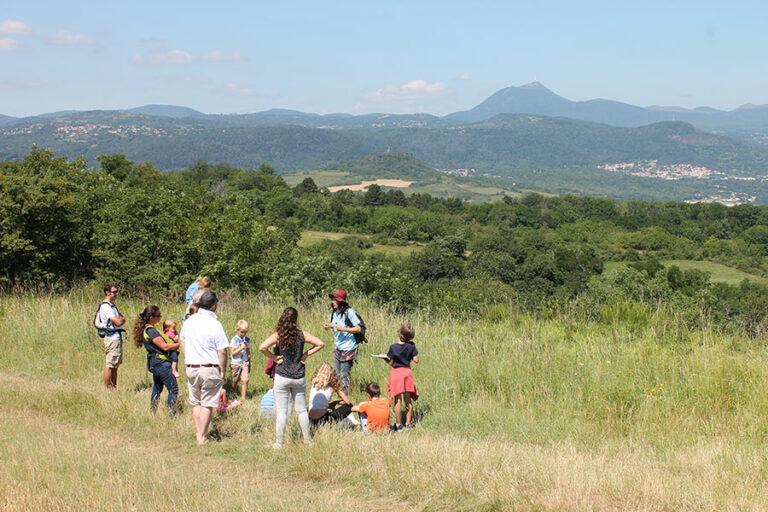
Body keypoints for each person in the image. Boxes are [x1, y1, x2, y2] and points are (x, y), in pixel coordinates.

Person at [259, 307, 325, 449]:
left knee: (282, 411)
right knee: (301, 410)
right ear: (296, 319)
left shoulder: (279, 335)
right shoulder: (302, 334)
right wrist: (306, 354)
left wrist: (274, 357)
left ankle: (279, 443)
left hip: (282, 376)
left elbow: (262, 347)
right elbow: (321, 343)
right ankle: (307, 440)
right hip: (298, 376)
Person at [179, 290, 228, 445]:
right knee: (207, 403)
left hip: (191, 366)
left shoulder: (189, 321)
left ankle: (198, 433)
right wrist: (223, 371)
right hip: (209, 366)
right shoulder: (215, 324)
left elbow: (182, 341)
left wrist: (188, 357)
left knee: (196, 402)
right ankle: (202, 436)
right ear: (213, 306)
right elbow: (222, 350)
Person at [133, 305, 180, 415]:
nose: (160, 317)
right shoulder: (151, 331)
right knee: (173, 389)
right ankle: (171, 416)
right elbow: (165, 347)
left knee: (157, 388)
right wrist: (178, 344)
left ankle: (152, 413)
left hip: (155, 363)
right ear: (151, 317)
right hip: (161, 363)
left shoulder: (147, 330)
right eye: (158, 315)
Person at [322, 289, 362, 394]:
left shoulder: (350, 312)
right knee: (337, 373)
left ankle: (346, 396)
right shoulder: (335, 312)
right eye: (332, 300)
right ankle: (340, 393)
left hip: (349, 347)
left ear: (341, 301)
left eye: (335, 300)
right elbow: (335, 326)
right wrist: (329, 326)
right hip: (338, 347)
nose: (333, 302)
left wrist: (343, 329)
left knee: (344, 373)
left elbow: (358, 329)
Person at [387, 321, 419, 431]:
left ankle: (398, 425)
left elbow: (390, 363)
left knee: (397, 400)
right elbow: (416, 360)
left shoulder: (393, 347)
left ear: (400, 334)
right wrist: (409, 356)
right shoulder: (411, 346)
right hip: (407, 373)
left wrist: (386, 360)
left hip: (396, 373)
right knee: (408, 399)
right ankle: (408, 424)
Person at [96, 284, 126, 388]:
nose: (117, 293)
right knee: (110, 365)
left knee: (115, 365)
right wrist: (120, 320)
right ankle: (108, 389)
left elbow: (122, 318)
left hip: (116, 338)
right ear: (108, 293)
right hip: (112, 338)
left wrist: (120, 320)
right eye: (115, 292)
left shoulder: (112, 305)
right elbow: (118, 321)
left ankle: (113, 388)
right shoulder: (106, 306)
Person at [308, 362, 354, 427]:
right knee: (349, 406)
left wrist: (333, 403)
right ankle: (352, 422)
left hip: (310, 419)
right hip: (323, 420)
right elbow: (347, 402)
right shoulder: (333, 386)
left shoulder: (313, 381)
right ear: (331, 374)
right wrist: (336, 402)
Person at [230, 320, 251, 401]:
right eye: (242, 332)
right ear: (237, 329)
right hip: (236, 363)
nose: (243, 334)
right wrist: (241, 348)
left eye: (245, 332)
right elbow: (232, 353)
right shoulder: (234, 339)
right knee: (235, 380)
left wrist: (249, 361)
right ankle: (233, 393)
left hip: (245, 362)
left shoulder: (247, 339)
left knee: (245, 379)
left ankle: (243, 398)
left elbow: (248, 352)